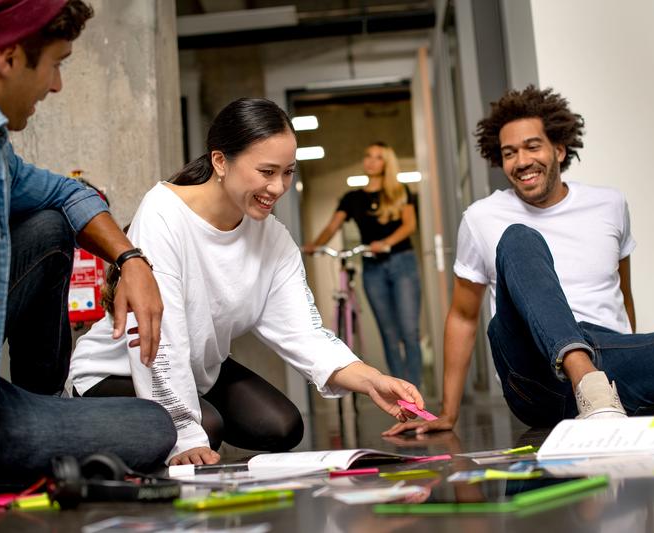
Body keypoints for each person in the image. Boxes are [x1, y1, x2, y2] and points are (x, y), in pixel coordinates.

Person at [384, 85, 654, 436]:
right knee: (520, 239)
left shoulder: (609, 204)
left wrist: (633, 356)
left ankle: (602, 394)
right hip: (536, 376)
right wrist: (449, 411)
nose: (521, 161)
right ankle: (585, 381)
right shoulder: (482, 218)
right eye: (509, 153)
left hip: (614, 368)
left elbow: (622, 293)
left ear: (558, 149)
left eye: (532, 146)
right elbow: (463, 316)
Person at [68, 99, 426, 466]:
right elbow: (163, 341)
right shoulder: (163, 212)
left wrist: (372, 380)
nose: (278, 186)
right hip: (118, 370)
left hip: (197, 370)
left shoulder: (273, 239)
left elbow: (305, 334)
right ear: (220, 161)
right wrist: (184, 432)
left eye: (288, 172)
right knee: (204, 428)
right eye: (267, 171)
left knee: (282, 426)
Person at [0, 0, 176, 488]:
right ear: (8, 58)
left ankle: (44, 405)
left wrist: (131, 260)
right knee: (153, 429)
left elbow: (69, 192)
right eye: (54, 65)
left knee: (47, 226)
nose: (56, 85)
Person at [303, 142, 423, 387]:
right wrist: (313, 245)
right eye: (368, 155)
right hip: (372, 269)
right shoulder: (352, 198)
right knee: (389, 335)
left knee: (409, 332)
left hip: (402, 263)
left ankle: (416, 390)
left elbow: (409, 226)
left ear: (386, 163)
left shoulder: (400, 190)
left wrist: (385, 242)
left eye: (378, 157)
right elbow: (331, 227)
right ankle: (401, 394)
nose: (370, 161)